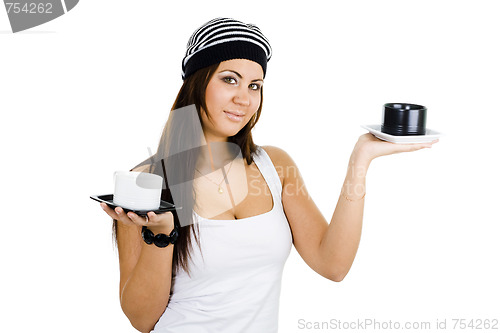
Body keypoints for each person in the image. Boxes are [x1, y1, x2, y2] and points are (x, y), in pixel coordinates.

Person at [100, 18, 438, 333]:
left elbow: (332, 265)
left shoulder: (274, 165)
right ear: (197, 82)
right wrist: (161, 235)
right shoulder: (147, 181)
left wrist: (360, 161)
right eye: (229, 79)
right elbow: (142, 319)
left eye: (255, 85)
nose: (243, 99)